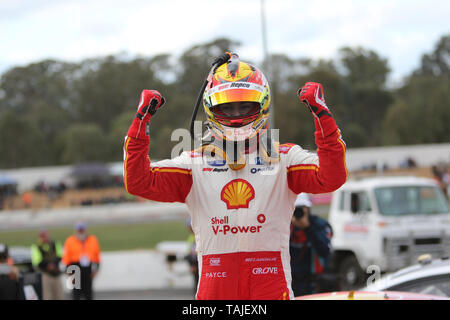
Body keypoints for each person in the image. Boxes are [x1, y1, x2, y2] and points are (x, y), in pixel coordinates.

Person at [123, 52, 347, 299]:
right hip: (215, 289)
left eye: (245, 105)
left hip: (270, 288)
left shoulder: (285, 159)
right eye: (227, 107)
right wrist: (140, 124)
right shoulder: (193, 164)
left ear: (262, 104)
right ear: (211, 107)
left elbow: (331, 177)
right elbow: (138, 182)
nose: (237, 115)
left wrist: (322, 115)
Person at [289, 193, 333, 297]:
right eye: (294, 209)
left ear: (308, 209)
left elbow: (325, 251)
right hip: (291, 281)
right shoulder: (285, 225)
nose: (297, 212)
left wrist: (307, 228)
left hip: (313, 283)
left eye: (300, 208)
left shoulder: (320, 225)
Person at [62, 222, 101, 300]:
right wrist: (69, 273)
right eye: (79, 230)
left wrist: (96, 269)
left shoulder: (92, 239)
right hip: (75, 268)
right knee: (76, 293)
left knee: (88, 293)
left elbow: (97, 256)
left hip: (87, 268)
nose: (81, 232)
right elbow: (66, 258)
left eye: (82, 230)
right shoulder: (70, 240)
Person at [30, 229, 65, 300]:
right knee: (47, 296)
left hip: (56, 273)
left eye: (45, 235)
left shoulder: (55, 244)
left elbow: (60, 255)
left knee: (59, 296)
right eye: (42, 236)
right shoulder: (36, 247)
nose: (44, 237)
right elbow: (36, 261)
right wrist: (47, 266)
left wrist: (54, 264)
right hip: (45, 274)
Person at [184, 219, 199, 296]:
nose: (188, 228)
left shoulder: (198, 236)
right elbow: (189, 253)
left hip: (198, 265)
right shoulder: (191, 237)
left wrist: (193, 264)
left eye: (190, 227)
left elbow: (197, 253)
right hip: (195, 265)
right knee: (196, 285)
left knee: (198, 285)